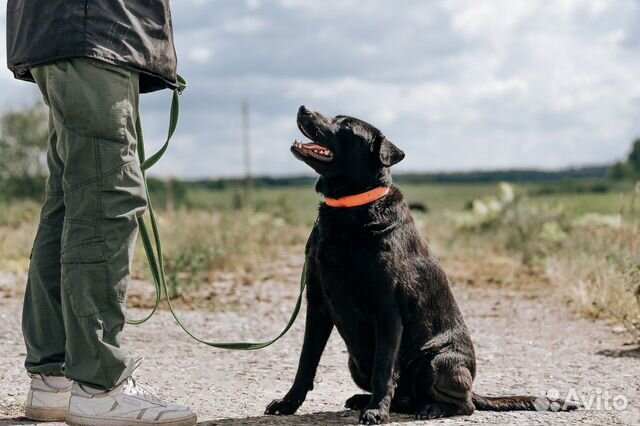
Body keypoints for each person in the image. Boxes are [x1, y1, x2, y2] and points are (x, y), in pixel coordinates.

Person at [6, 1, 197, 425]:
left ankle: (55, 379)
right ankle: (98, 384)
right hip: (94, 29)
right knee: (108, 195)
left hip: (70, 30)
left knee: (69, 199)